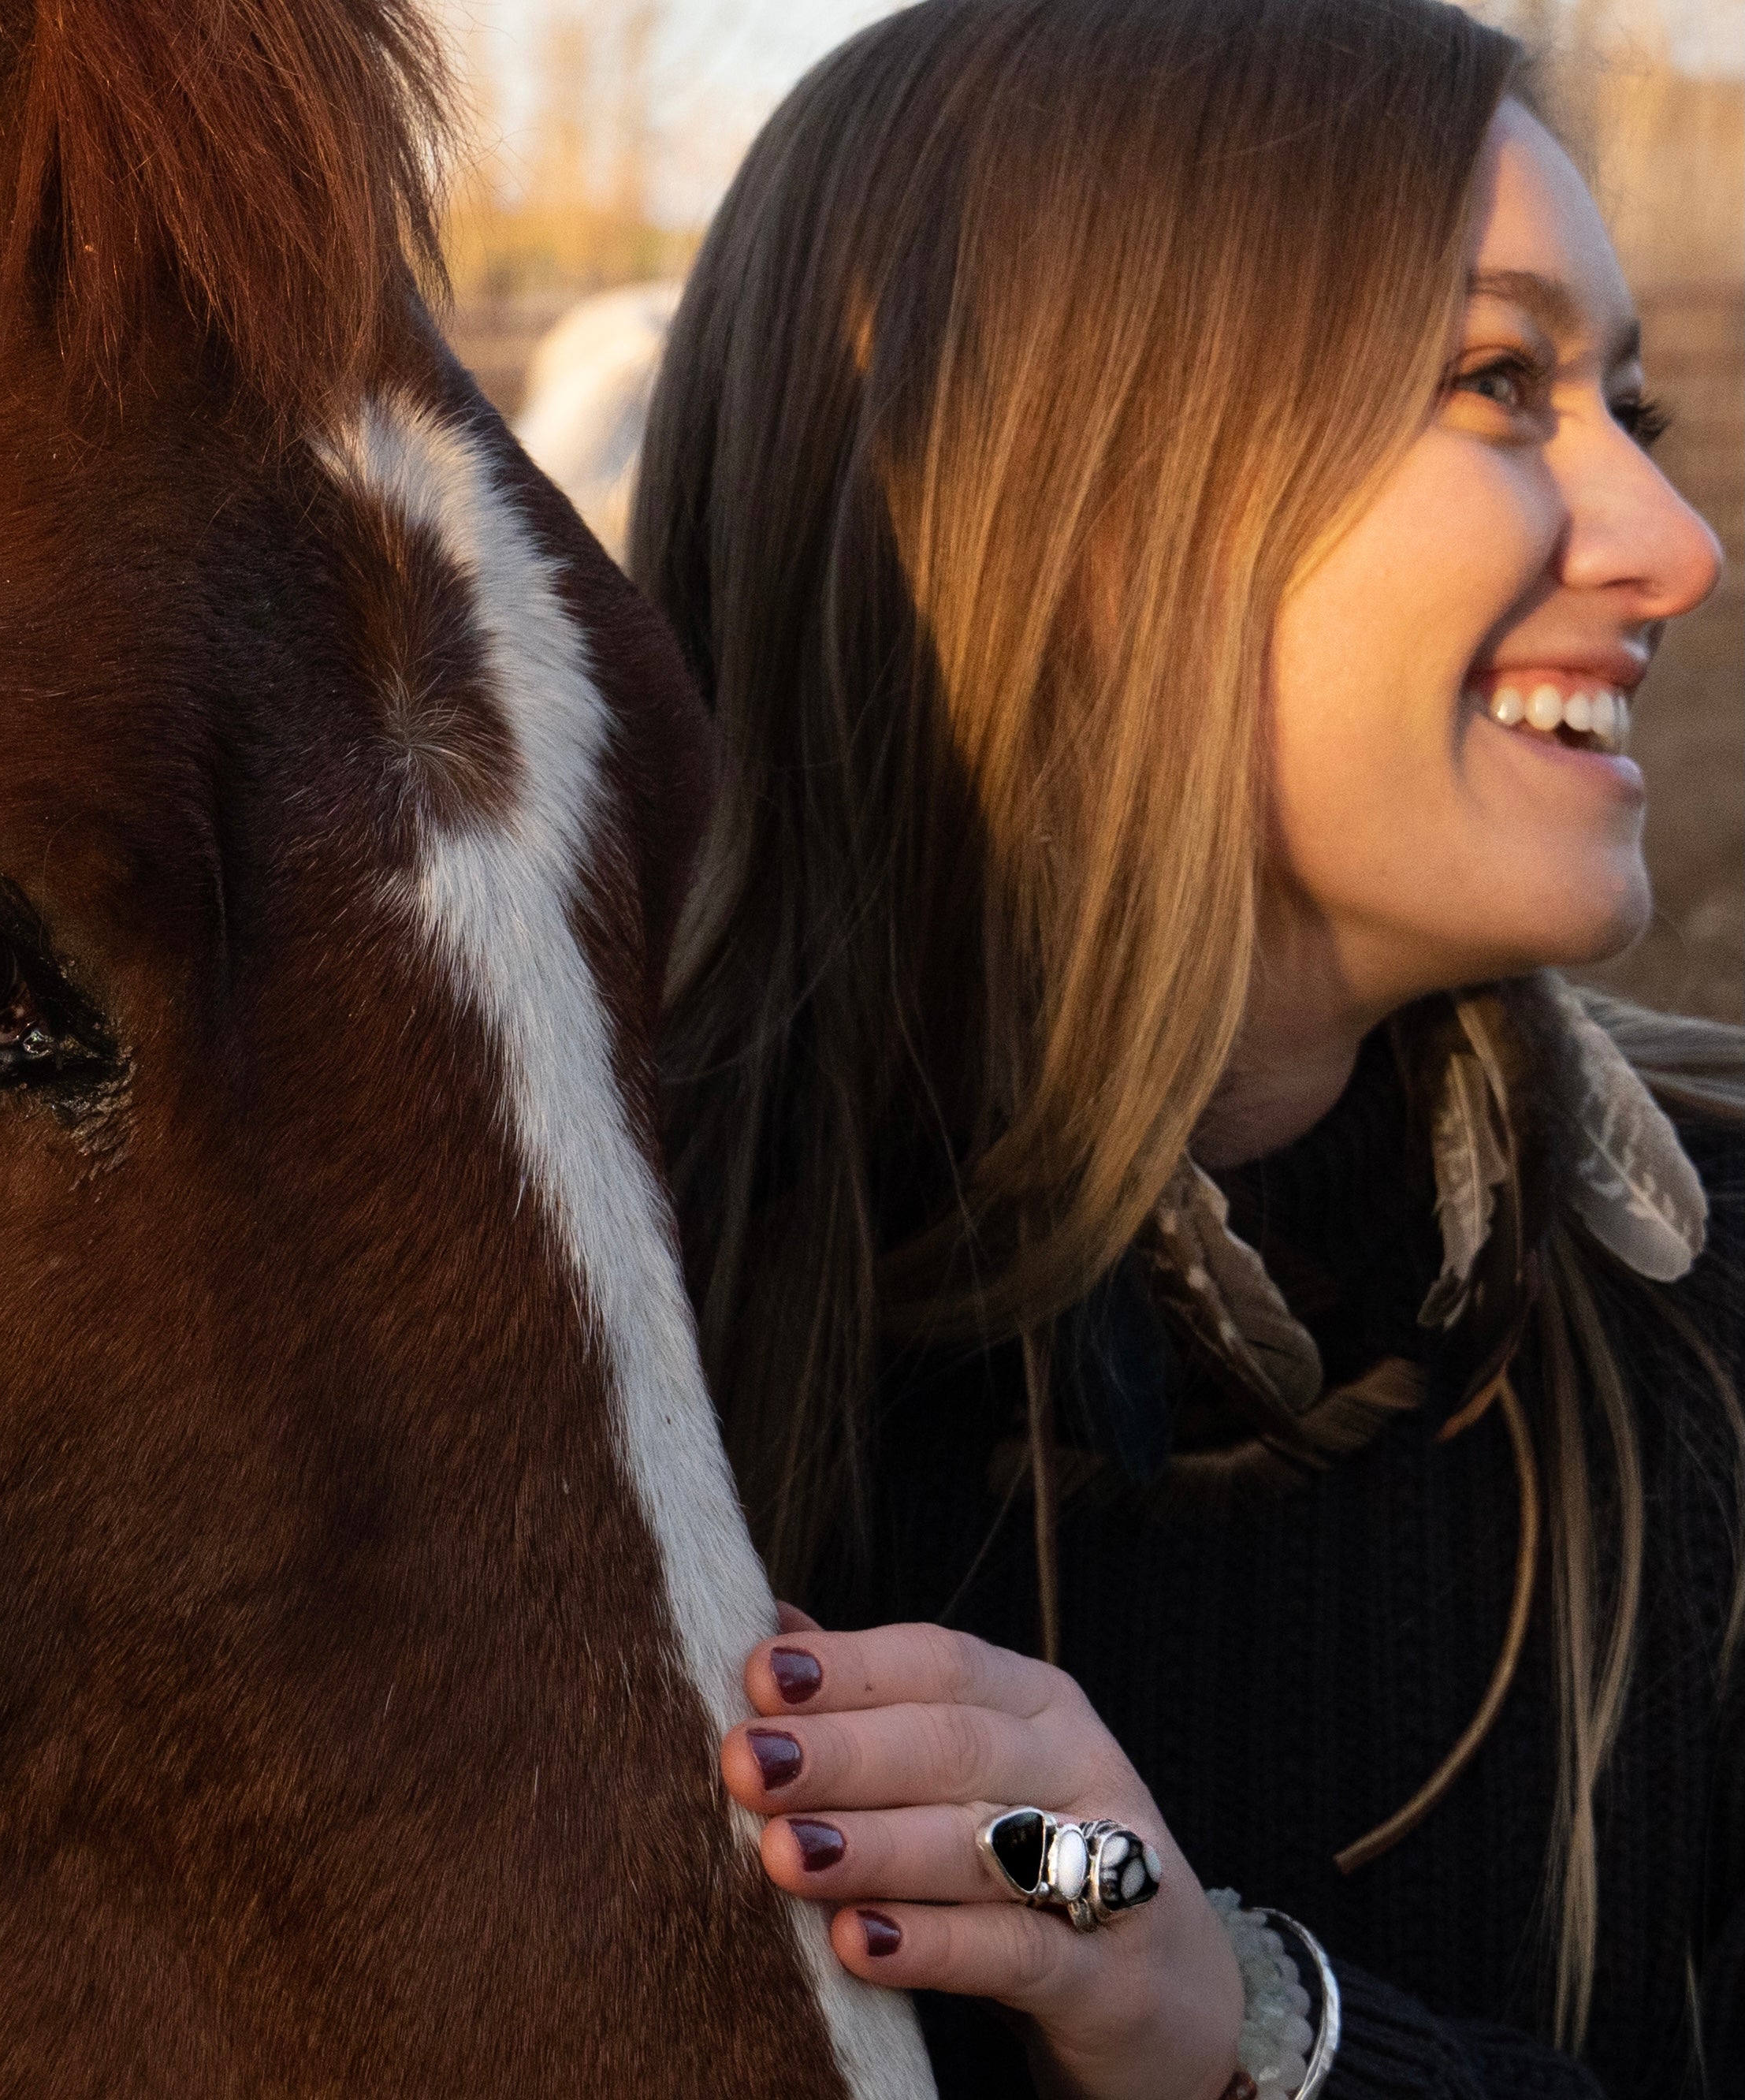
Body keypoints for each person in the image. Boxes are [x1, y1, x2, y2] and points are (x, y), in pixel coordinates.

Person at [631, 2, 1742, 2094]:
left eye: (1636, 404)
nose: (1678, 548)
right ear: (1069, 490)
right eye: (1503, 384)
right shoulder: (560, 1371)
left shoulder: (1705, 1346)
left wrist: (1242, 2020)